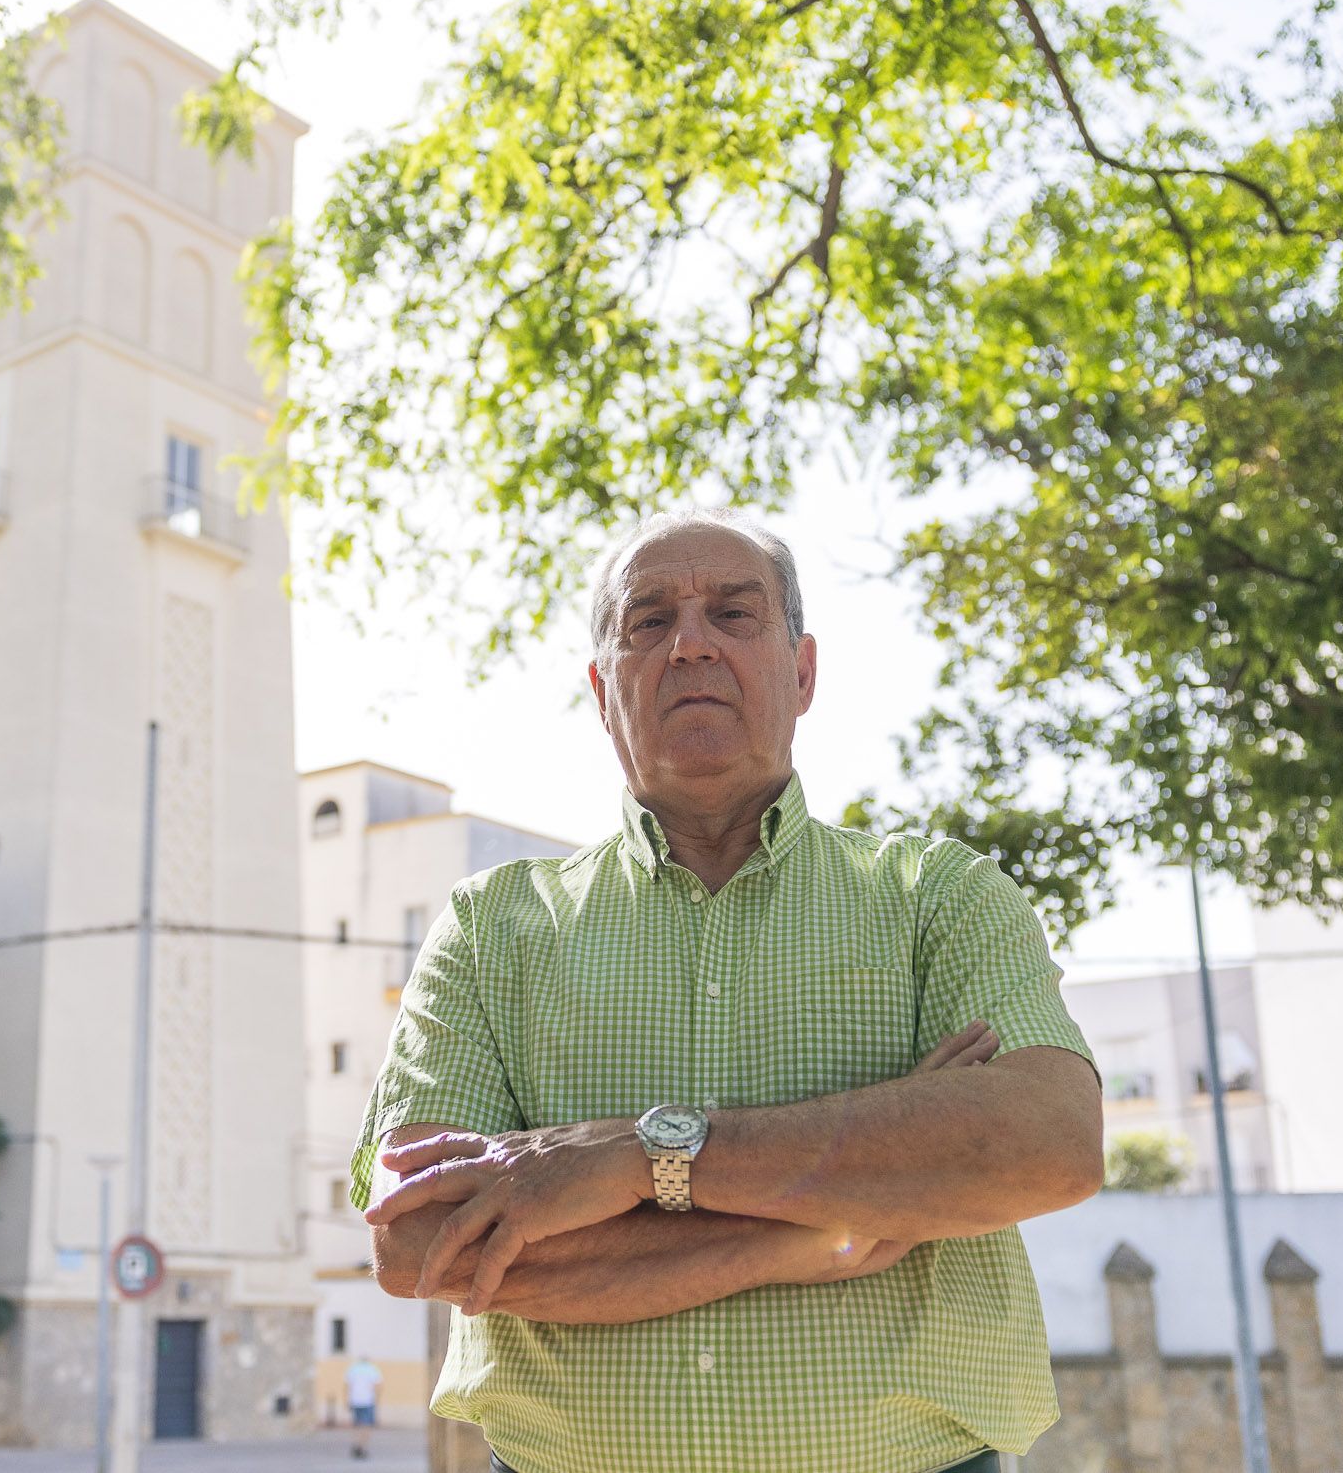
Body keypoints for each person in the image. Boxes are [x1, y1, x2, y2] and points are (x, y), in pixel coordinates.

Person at [353, 511, 1104, 1473]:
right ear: (603, 690)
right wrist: (821, 1228)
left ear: (803, 671)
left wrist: (635, 1158)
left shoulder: (939, 894)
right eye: (650, 619)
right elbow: (420, 1239)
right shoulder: (490, 927)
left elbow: (1048, 1144)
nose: (691, 643)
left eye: (734, 614)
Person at [344, 1354, 384, 1458]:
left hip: (355, 1400)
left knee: (356, 1424)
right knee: (366, 1425)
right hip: (367, 1401)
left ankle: (356, 1444)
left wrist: (347, 1400)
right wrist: (377, 1400)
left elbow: (348, 1386)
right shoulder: (372, 1369)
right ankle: (362, 1447)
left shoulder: (353, 1369)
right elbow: (377, 1386)